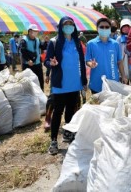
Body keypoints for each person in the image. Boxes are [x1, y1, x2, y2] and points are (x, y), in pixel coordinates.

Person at [45, 16, 87, 155]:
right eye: (66, 24)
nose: (69, 26)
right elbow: (47, 61)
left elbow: (81, 61)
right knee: (58, 112)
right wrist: (51, 63)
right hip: (60, 84)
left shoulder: (77, 42)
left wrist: (83, 81)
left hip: (74, 84)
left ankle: (68, 134)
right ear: (61, 26)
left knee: (70, 111)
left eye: (71, 24)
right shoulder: (54, 42)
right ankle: (53, 141)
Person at [86, 17, 127, 95]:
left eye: (107, 27)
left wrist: (123, 76)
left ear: (110, 28)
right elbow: (87, 60)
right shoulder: (91, 44)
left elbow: (119, 62)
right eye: (101, 27)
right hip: (96, 83)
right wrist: (91, 64)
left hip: (113, 82)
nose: (104, 29)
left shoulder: (115, 44)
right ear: (97, 28)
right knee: (99, 107)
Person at [20, 24, 44, 90]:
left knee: (40, 80)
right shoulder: (24, 40)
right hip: (28, 65)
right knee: (29, 82)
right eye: (34, 31)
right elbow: (23, 51)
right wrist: (28, 60)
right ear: (30, 31)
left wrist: (46, 42)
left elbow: (43, 47)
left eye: (36, 31)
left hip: (37, 64)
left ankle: (41, 94)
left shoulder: (38, 40)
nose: (36, 33)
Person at [117, 18, 131, 84]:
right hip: (123, 63)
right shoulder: (119, 39)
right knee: (124, 84)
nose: (126, 28)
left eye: (127, 27)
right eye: (124, 27)